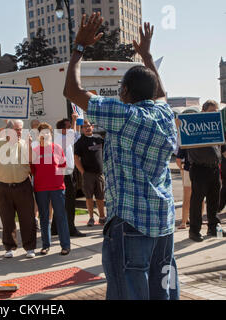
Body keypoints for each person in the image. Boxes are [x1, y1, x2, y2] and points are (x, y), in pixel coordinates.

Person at [64, 14, 179, 299]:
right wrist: (148, 57)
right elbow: (160, 92)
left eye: (120, 89)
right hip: (162, 222)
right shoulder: (164, 115)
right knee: (161, 288)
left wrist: (79, 48)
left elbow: (72, 91)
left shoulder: (124, 115)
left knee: (129, 290)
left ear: (125, 92)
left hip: (130, 223)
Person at [0, 120, 37, 259]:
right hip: (3, 186)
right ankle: (9, 247)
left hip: (22, 185)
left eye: (21, 129)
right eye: (17, 129)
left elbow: (32, 162)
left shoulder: (25, 144)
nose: (20, 132)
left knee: (27, 218)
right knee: (7, 219)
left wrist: (29, 145)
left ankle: (29, 247)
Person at [187, 100, 226, 242]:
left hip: (214, 169)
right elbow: (185, 143)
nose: (214, 114)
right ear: (203, 111)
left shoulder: (216, 126)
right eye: (211, 111)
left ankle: (213, 227)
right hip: (199, 168)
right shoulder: (195, 126)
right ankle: (194, 231)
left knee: (214, 200)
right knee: (197, 201)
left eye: (216, 111)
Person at [31, 122, 71, 256]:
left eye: (47, 132)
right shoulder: (35, 151)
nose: (45, 134)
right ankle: (45, 245)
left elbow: (63, 166)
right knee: (44, 216)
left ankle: (65, 245)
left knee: (60, 216)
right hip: (41, 188)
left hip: (57, 188)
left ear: (51, 133)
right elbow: (32, 170)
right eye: (42, 132)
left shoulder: (57, 148)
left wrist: (57, 181)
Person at [52, 115, 85, 237]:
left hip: (66, 172)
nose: (71, 128)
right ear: (63, 129)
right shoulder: (60, 138)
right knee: (69, 202)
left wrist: (75, 121)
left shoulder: (64, 137)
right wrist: (75, 120)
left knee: (61, 201)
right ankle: (71, 228)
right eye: (69, 127)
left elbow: (76, 135)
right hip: (64, 174)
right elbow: (75, 135)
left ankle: (55, 228)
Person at [74, 120, 106, 227]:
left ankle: (102, 217)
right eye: (84, 127)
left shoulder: (99, 139)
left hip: (100, 173)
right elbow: (76, 158)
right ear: (82, 129)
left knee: (100, 197)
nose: (87, 128)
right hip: (88, 174)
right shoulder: (80, 142)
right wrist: (83, 172)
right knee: (89, 197)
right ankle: (91, 217)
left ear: (92, 127)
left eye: (88, 126)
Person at [176, 148, 191, 229]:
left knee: (186, 196)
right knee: (200, 196)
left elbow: (178, 160)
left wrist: (181, 168)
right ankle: (198, 218)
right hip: (202, 169)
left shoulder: (185, 140)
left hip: (188, 169)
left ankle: (184, 222)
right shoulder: (204, 138)